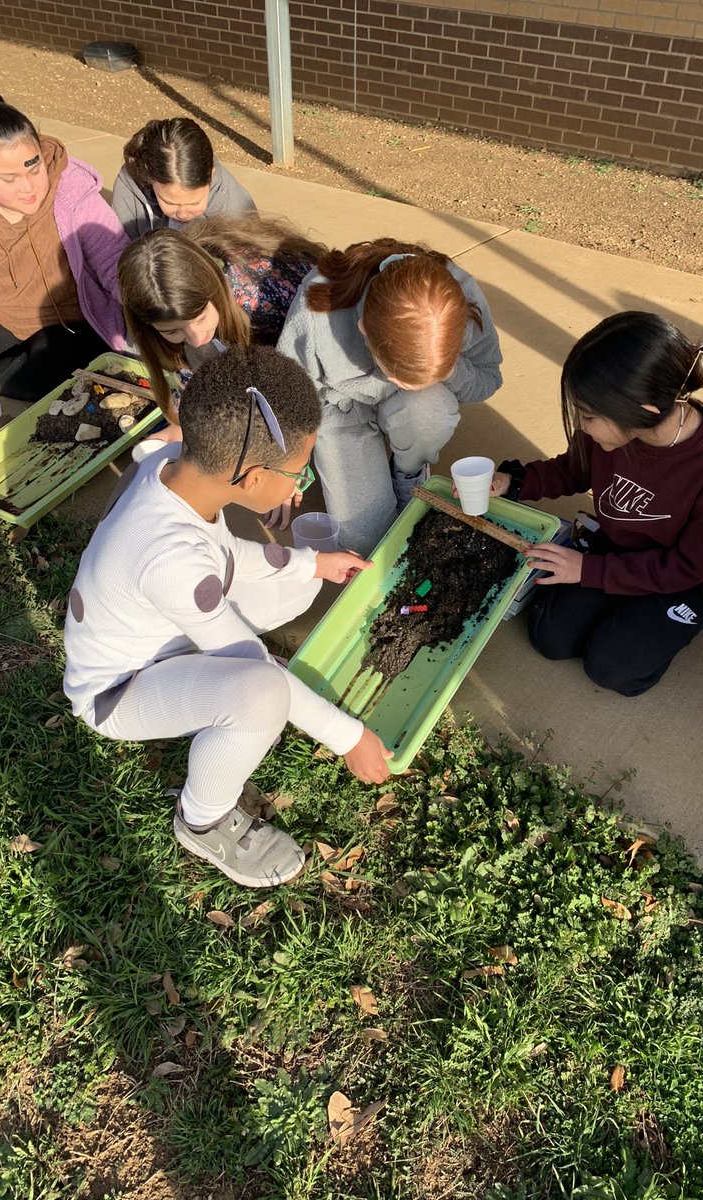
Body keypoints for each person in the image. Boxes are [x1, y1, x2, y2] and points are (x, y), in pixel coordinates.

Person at [63, 344, 392, 888]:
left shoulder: (171, 467)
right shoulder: (171, 560)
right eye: (299, 476)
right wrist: (348, 737)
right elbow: (258, 668)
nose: (299, 489)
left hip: (161, 631)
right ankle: (202, 820)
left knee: (290, 589)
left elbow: (223, 558)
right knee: (259, 694)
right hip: (117, 691)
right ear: (254, 479)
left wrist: (314, 564)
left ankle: (215, 681)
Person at [492, 310, 703, 696]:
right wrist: (513, 482)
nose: (581, 426)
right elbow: (574, 469)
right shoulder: (618, 427)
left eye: (587, 416)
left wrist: (588, 570)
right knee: (549, 638)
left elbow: (685, 567)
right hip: (622, 545)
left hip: (693, 574)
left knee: (612, 669)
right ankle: (623, 603)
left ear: (644, 411)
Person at [276, 238, 503, 555]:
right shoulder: (320, 302)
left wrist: (450, 371)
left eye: (420, 380)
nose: (407, 385)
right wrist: (287, 466)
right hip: (341, 409)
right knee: (368, 543)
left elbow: (488, 378)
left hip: (407, 409)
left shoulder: (462, 294)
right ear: (363, 329)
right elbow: (289, 393)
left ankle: (408, 470)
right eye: (399, 376)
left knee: (430, 409)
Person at [0, 84, 128, 402]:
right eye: (9, 179)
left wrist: (147, 305)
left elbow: (114, 257)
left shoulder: (70, 188)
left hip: (65, 323)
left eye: (34, 166)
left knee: (69, 379)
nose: (28, 187)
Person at [118, 219, 324, 425]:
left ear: (216, 290)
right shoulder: (175, 327)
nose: (197, 339)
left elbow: (321, 358)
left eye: (200, 318)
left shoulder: (267, 288)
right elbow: (194, 374)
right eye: (172, 332)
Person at [112, 117, 256, 240]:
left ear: (211, 176)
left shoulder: (235, 208)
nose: (182, 214)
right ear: (150, 179)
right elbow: (119, 249)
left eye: (194, 203)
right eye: (170, 202)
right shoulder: (128, 185)